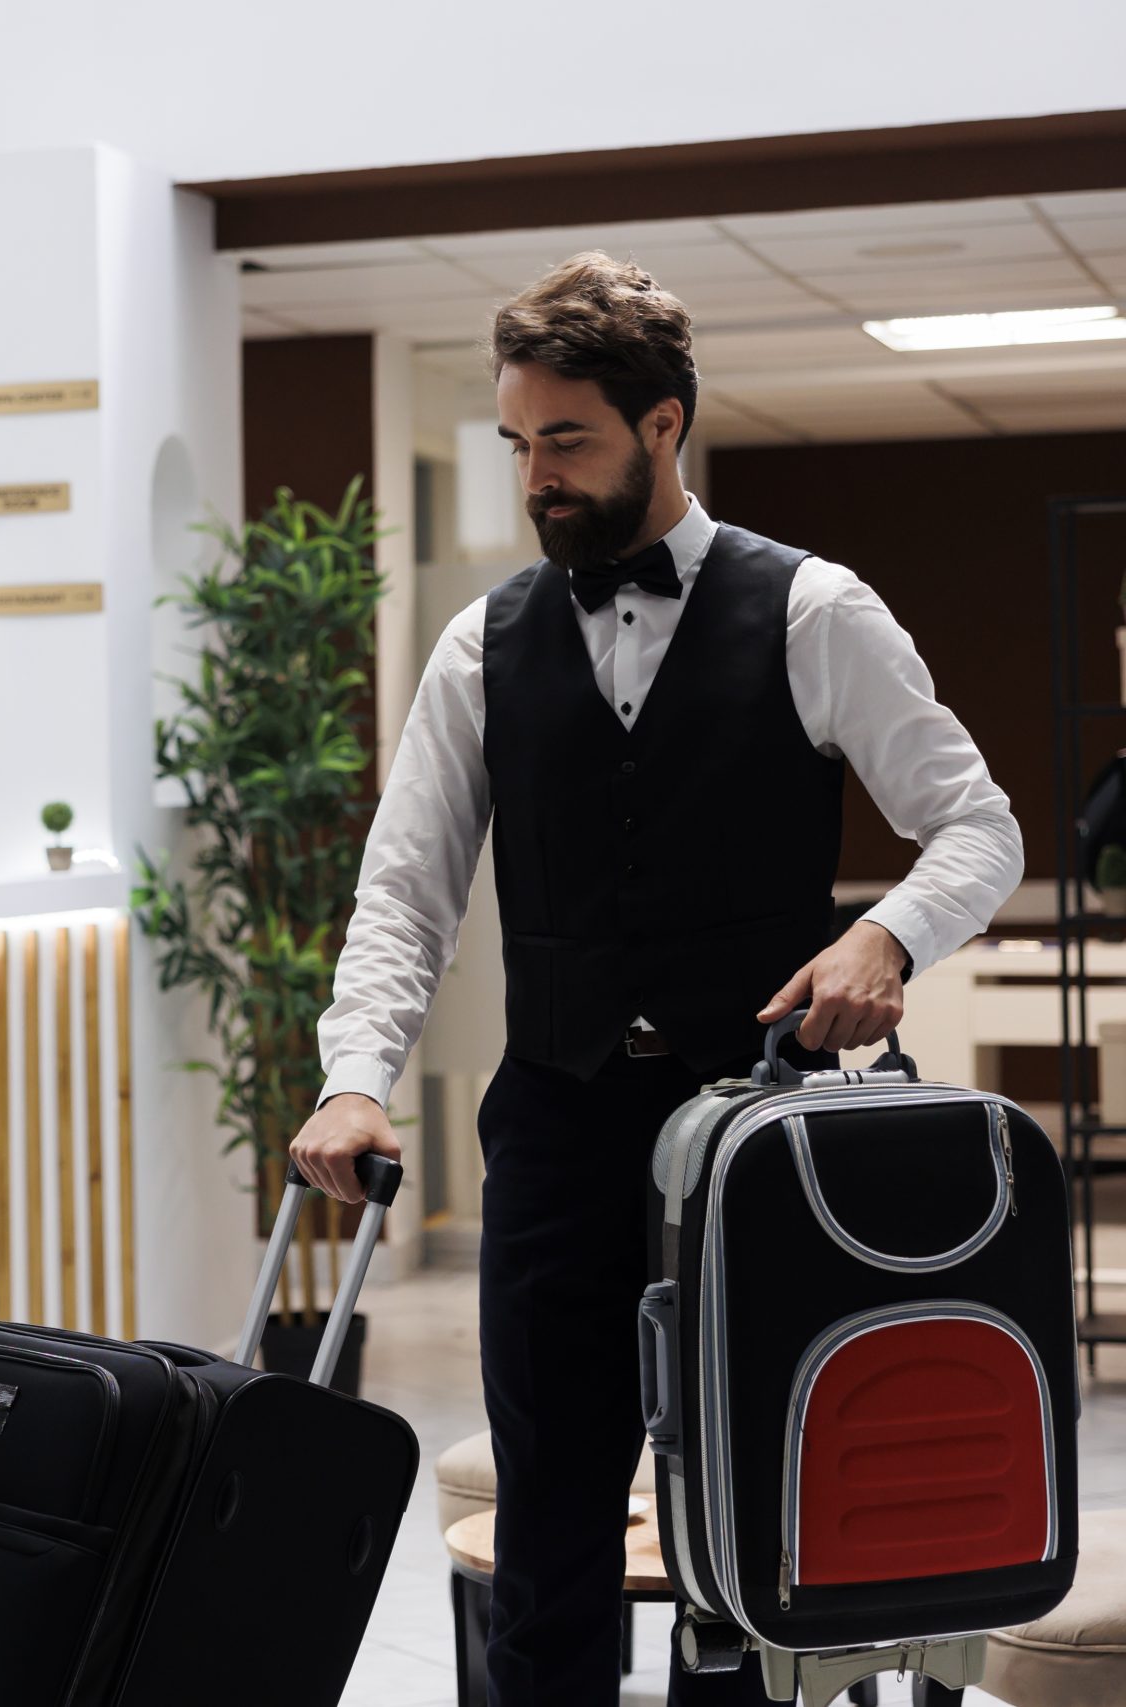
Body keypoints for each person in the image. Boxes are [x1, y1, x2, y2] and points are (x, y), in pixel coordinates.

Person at [286, 255, 1023, 1705]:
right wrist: (355, 1074)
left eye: (570, 440)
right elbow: (405, 891)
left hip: (761, 1144)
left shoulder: (815, 610)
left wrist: (886, 937)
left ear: (665, 424)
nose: (538, 477)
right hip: (558, 1129)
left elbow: (978, 824)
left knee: (748, 1523)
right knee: (550, 1531)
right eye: (518, 441)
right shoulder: (478, 646)